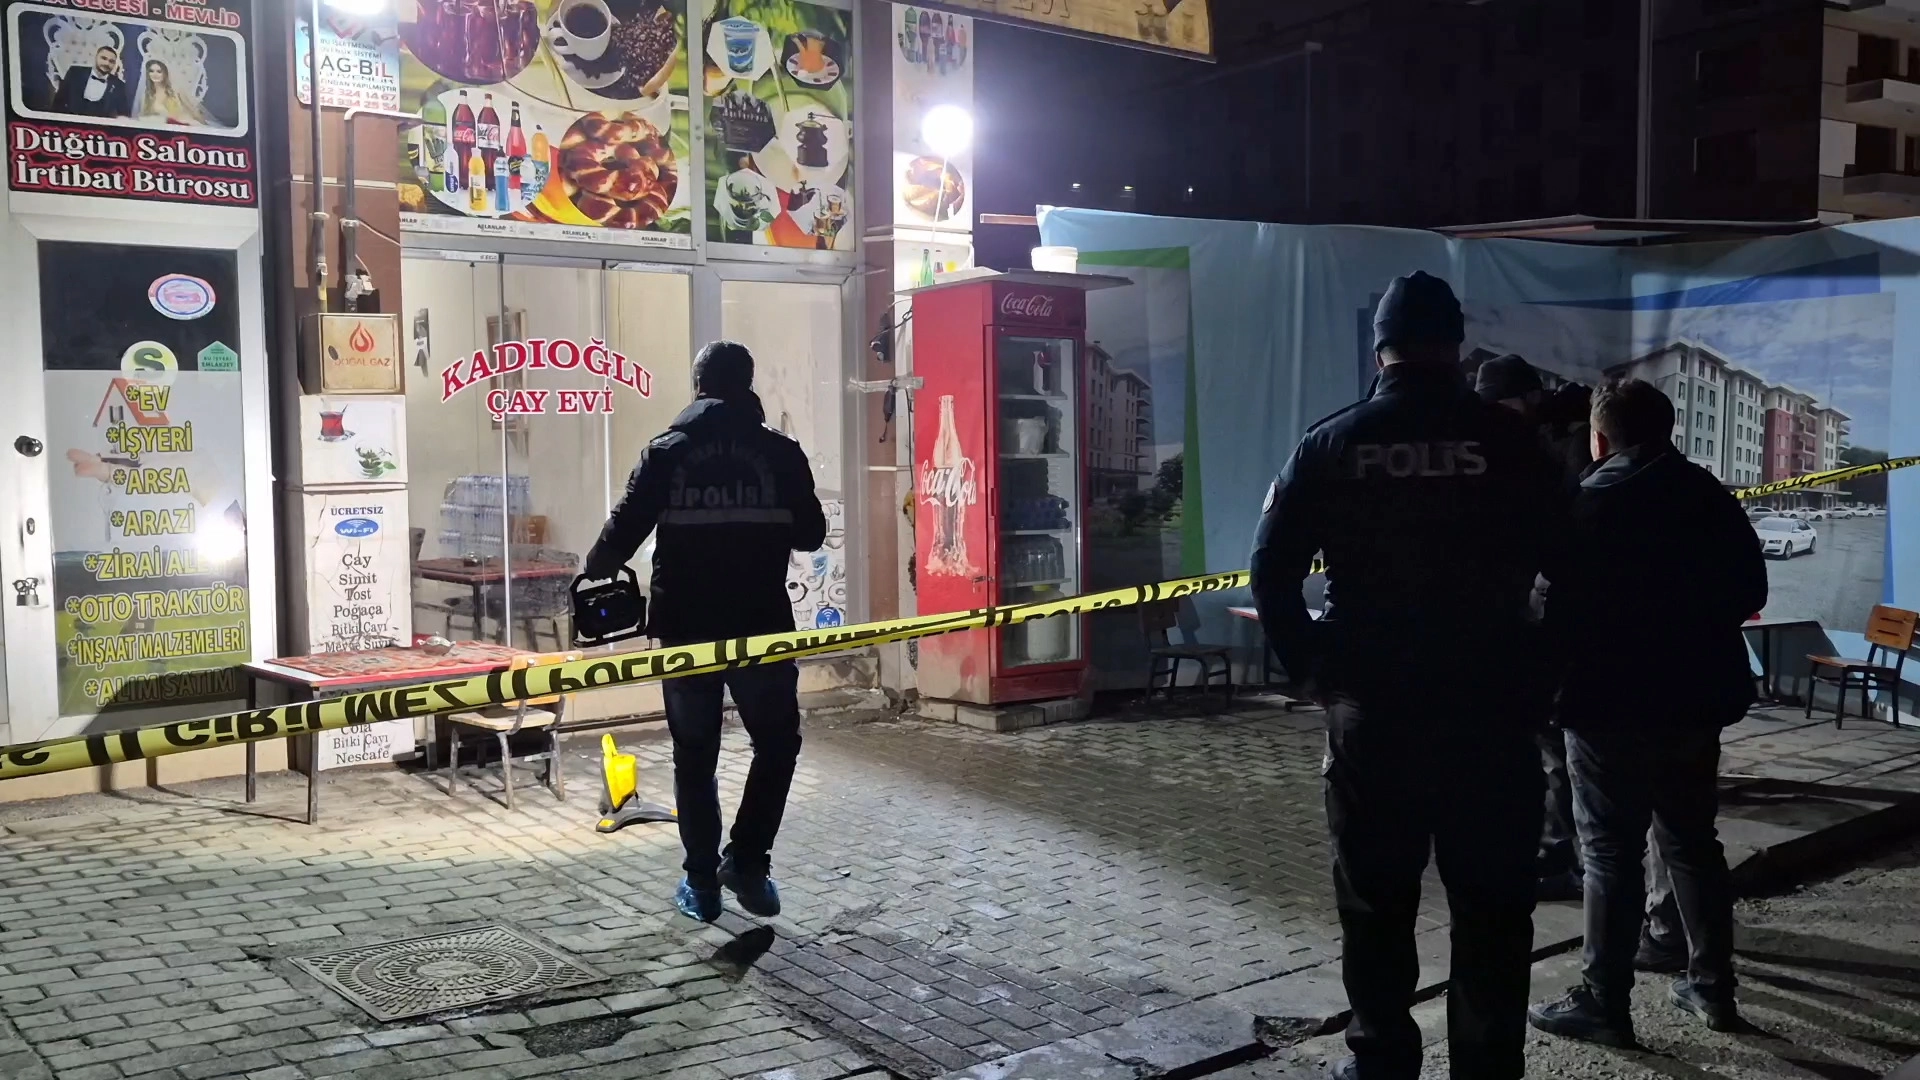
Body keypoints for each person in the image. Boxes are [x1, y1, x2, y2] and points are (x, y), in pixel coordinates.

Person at [1252, 272, 1565, 1080]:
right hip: (1491, 713)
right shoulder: (1512, 444)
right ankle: (1487, 1068)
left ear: (1380, 350)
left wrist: (1314, 670)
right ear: (1457, 348)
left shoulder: (1332, 443)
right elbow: (1581, 571)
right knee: (1494, 911)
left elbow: (1271, 571)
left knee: (1376, 903)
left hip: (1376, 713)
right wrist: (1542, 674)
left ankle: (1382, 1060)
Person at [1528, 378, 1765, 1046]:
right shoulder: (1708, 495)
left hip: (1606, 704)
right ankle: (1712, 986)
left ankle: (1604, 1002)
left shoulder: (1589, 502)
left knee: (1609, 852)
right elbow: (1750, 589)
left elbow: (1548, 608)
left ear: (1600, 437)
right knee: (1692, 842)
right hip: (1694, 700)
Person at [584, 341, 826, 923]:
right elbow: (813, 534)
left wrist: (595, 568)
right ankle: (748, 862)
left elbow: (619, 536)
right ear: (748, 384)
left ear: (698, 386)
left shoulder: (667, 452)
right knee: (777, 744)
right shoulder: (781, 453)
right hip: (761, 625)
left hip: (686, 628)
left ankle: (701, 884)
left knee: (695, 754)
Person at [52, 46, 130, 118]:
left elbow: (124, 114)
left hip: (100, 126)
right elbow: (58, 103)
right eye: (103, 58)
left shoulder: (119, 85)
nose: (107, 63)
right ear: (95, 58)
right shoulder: (75, 73)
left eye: (111, 61)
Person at [134, 60, 214, 126]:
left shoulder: (176, 90)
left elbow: (193, 109)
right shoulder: (147, 95)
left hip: (182, 125)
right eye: (151, 71)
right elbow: (143, 116)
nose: (155, 74)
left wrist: (205, 126)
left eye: (159, 71)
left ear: (165, 74)